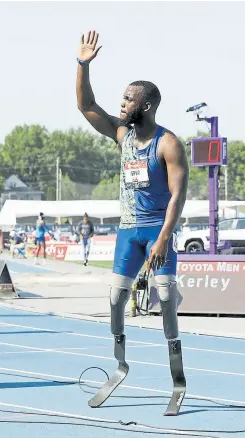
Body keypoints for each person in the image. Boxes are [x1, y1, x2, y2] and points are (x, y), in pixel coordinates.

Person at [76, 30, 189, 415]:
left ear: (148, 105)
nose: (122, 104)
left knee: (168, 300)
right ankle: (121, 364)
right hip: (128, 230)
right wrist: (83, 64)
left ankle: (177, 379)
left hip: (158, 231)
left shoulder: (169, 143)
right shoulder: (121, 135)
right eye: (122, 98)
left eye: (129, 99)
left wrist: (162, 239)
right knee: (115, 299)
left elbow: (178, 195)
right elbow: (86, 105)